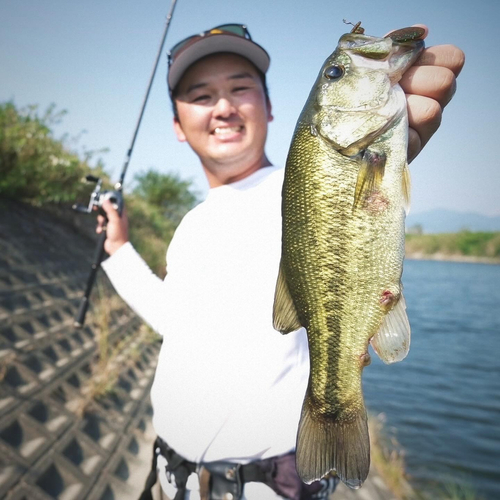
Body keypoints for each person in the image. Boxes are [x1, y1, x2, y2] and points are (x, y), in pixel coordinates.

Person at [97, 23, 464, 500]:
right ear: (177, 125)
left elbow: (338, 202)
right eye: (201, 95)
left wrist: (390, 151)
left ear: (270, 108)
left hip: (268, 485)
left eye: (240, 88)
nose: (224, 107)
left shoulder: (285, 191)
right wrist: (118, 252)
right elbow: (177, 321)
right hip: (175, 479)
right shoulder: (192, 223)